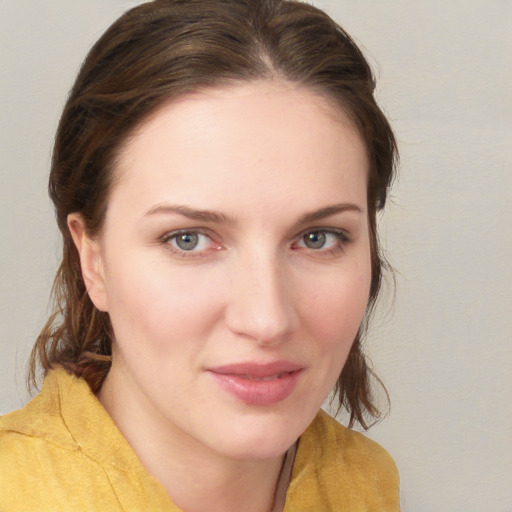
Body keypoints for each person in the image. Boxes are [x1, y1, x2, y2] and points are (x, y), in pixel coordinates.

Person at [0, 0, 399, 510]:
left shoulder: (365, 483)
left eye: (318, 237)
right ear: (92, 260)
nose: (266, 319)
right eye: (188, 239)